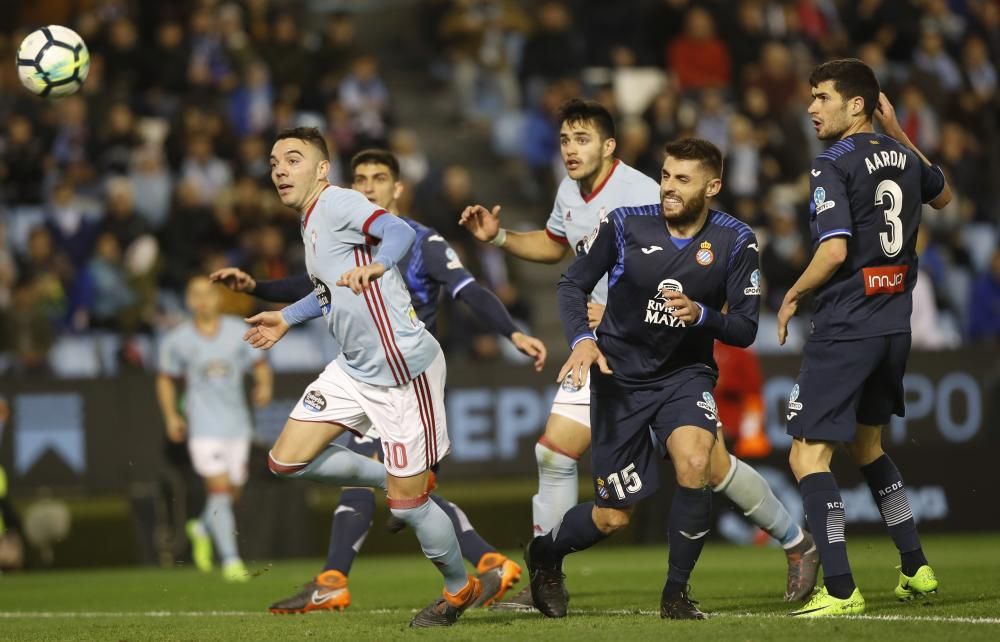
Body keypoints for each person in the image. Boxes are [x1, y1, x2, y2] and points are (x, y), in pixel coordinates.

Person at [460, 99, 817, 608]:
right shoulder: (570, 191)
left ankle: (791, 542)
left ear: (609, 146)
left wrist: (645, 309)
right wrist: (499, 237)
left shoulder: (645, 196)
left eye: (581, 139)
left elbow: (676, 261)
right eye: (563, 139)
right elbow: (558, 247)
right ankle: (548, 571)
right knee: (556, 451)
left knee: (706, 467)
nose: (569, 149)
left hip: (667, 354)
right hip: (609, 355)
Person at [212, 148, 546, 613]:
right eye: (362, 176)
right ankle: (366, 559)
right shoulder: (320, 223)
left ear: (398, 188)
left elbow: (460, 283)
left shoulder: (406, 235)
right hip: (356, 368)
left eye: (378, 178)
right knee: (288, 463)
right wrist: (276, 307)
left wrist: (512, 332)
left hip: (406, 373)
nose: (367, 186)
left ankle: (461, 579)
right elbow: (320, 289)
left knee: (405, 504)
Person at [525, 138, 762, 620]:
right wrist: (581, 341)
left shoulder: (737, 241)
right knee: (613, 517)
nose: (669, 188)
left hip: (684, 376)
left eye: (683, 179)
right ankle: (546, 553)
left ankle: (676, 594)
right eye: (666, 176)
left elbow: (745, 328)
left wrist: (701, 316)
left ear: (713, 186)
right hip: (620, 379)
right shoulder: (626, 223)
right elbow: (571, 283)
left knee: (696, 462)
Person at [778, 59, 952, 617]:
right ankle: (915, 566)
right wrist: (899, 133)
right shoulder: (903, 156)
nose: (811, 107)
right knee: (869, 448)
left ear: (857, 105)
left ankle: (841, 587)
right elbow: (943, 196)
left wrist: (793, 294)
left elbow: (832, 251)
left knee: (807, 457)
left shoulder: (831, 162)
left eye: (822, 97)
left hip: (847, 325)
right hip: (894, 325)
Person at [156, 276, 274, 583]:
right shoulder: (178, 339)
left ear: (218, 298)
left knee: (230, 493)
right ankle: (232, 562)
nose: (203, 300)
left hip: (237, 426)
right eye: (196, 295)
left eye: (208, 294)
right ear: (188, 300)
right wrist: (171, 416)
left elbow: (259, 364)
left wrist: (264, 386)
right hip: (203, 428)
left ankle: (202, 528)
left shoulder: (238, 331)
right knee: (219, 490)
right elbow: (165, 378)